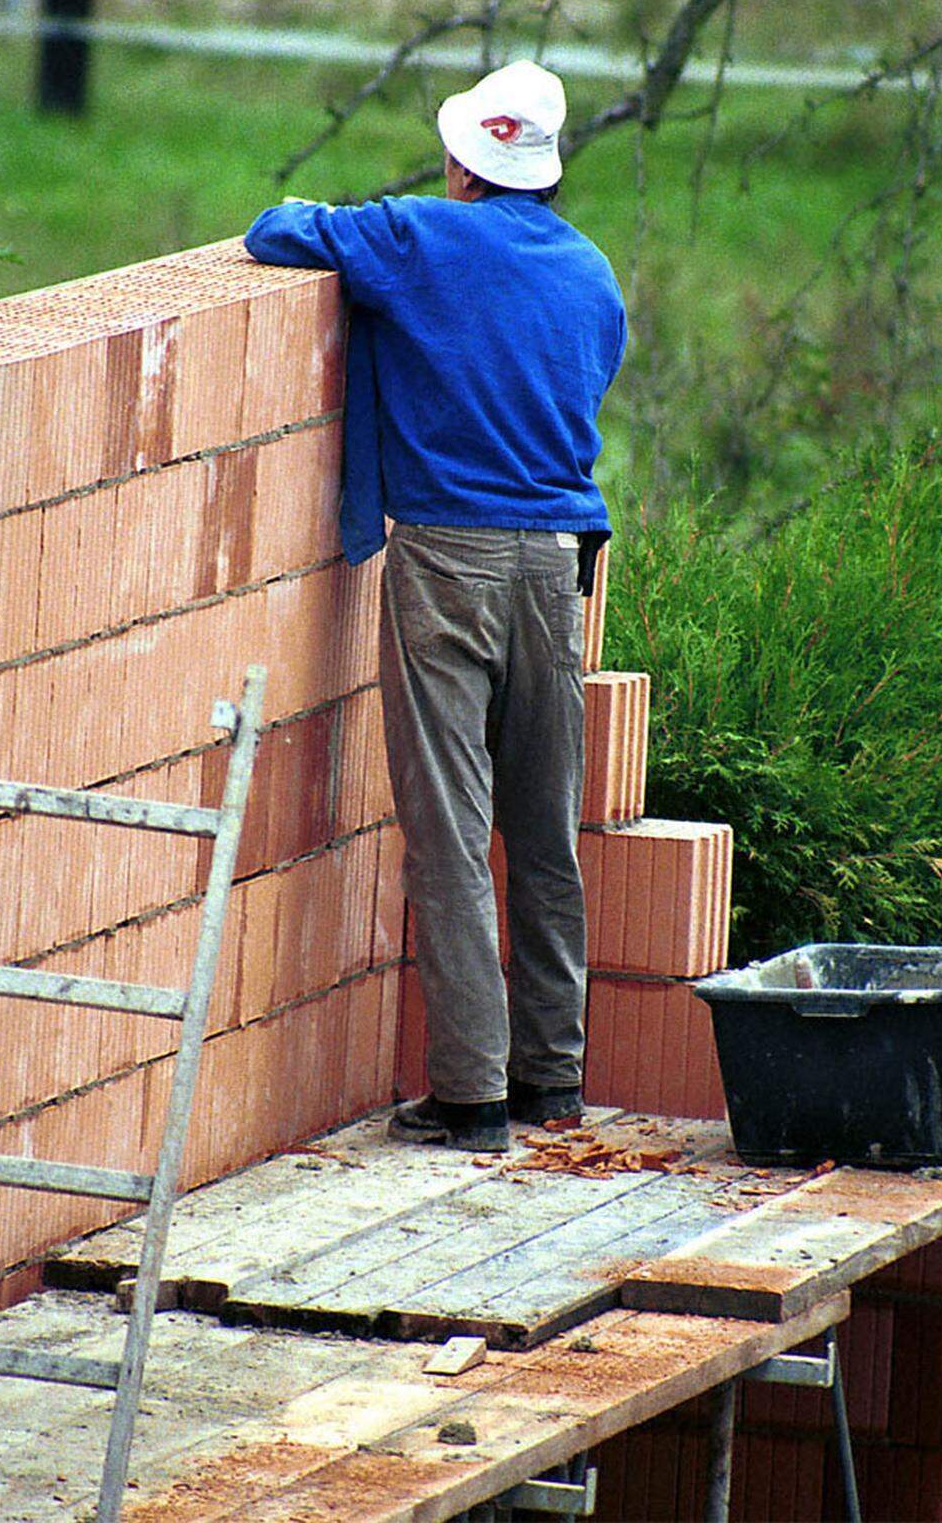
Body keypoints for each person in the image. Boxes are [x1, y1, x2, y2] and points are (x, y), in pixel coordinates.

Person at [244, 60, 627, 1153]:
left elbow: (278, 232)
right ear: (544, 171)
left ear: (464, 161)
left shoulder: (417, 238)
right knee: (544, 826)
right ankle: (554, 1077)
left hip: (446, 563)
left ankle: (470, 1092)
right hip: (557, 567)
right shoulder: (592, 274)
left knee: (451, 829)